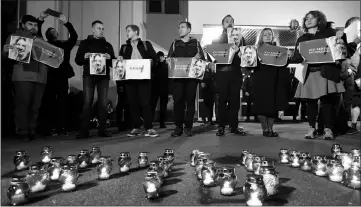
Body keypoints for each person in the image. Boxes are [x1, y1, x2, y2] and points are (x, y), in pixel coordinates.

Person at [292, 10, 359, 140]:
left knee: (327, 103)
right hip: (309, 74)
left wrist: (342, 36)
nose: (308, 20)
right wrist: (290, 57)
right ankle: (311, 128)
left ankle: (328, 129)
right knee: (310, 103)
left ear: (319, 20)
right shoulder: (302, 39)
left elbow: (343, 51)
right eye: (306, 18)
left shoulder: (329, 34)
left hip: (325, 73)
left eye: (312, 18)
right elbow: (297, 57)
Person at [2, 13, 49, 142]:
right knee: (23, 105)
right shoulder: (15, 37)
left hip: (41, 76)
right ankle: (23, 131)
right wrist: (4, 52)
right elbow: (5, 57)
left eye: (35, 25)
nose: (33, 27)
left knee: (35, 106)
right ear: (23, 25)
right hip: (23, 75)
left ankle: (32, 130)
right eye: (30, 24)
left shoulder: (40, 39)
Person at [38, 13, 78, 137]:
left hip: (62, 76)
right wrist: (40, 20)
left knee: (62, 102)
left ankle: (62, 127)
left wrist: (66, 23)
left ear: (57, 34)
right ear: (47, 36)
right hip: (49, 76)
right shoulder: (45, 45)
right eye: (51, 31)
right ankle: (49, 128)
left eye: (54, 30)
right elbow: (37, 35)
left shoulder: (64, 45)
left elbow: (74, 36)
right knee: (49, 102)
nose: (53, 31)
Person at [75, 20, 115, 138]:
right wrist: (84, 56)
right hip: (89, 76)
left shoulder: (108, 45)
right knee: (87, 102)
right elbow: (78, 60)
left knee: (103, 103)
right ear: (93, 29)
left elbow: (113, 63)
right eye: (99, 28)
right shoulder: (85, 43)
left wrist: (110, 58)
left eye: (102, 29)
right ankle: (84, 131)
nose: (101, 31)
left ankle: (102, 130)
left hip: (104, 78)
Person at [118, 24, 159, 138]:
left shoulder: (146, 44)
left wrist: (151, 62)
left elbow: (155, 59)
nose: (127, 33)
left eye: (129, 30)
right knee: (133, 103)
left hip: (144, 78)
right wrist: (120, 59)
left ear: (135, 32)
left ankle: (149, 128)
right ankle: (136, 127)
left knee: (145, 103)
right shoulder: (124, 47)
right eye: (126, 31)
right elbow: (121, 63)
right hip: (130, 79)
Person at [251, 28, 292, 137]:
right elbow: (250, 63)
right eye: (265, 34)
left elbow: (284, 64)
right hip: (260, 80)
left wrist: (287, 56)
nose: (268, 36)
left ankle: (270, 129)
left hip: (275, 79)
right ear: (261, 37)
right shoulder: (256, 50)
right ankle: (265, 129)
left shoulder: (278, 50)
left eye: (270, 34)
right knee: (262, 106)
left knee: (273, 106)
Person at [168, 21, 205, 137]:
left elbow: (202, 60)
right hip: (178, 78)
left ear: (189, 30)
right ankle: (178, 127)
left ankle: (188, 127)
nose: (180, 29)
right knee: (178, 102)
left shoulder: (196, 43)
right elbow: (169, 59)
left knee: (190, 102)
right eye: (179, 27)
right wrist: (167, 61)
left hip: (191, 79)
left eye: (183, 27)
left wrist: (197, 58)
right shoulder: (175, 43)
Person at [212, 15, 246, 136]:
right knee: (221, 101)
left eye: (232, 21)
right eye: (227, 21)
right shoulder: (218, 39)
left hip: (235, 73)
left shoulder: (241, 38)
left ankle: (234, 126)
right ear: (223, 25)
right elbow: (214, 56)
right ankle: (221, 126)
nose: (230, 23)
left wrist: (239, 51)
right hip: (222, 73)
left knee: (235, 102)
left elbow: (246, 56)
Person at [150, 51, 169, 128]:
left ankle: (162, 123)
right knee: (153, 106)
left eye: (162, 56)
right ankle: (150, 122)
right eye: (159, 57)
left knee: (163, 107)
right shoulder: (154, 66)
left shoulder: (167, 66)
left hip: (164, 89)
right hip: (155, 89)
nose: (160, 58)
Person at [201, 48, 217, 125]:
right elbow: (205, 79)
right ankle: (204, 118)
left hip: (212, 90)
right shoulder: (206, 71)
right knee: (206, 105)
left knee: (211, 105)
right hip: (206, 90)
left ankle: (210, 120)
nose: (213, 66)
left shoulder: (214, 73)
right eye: (212, 65)